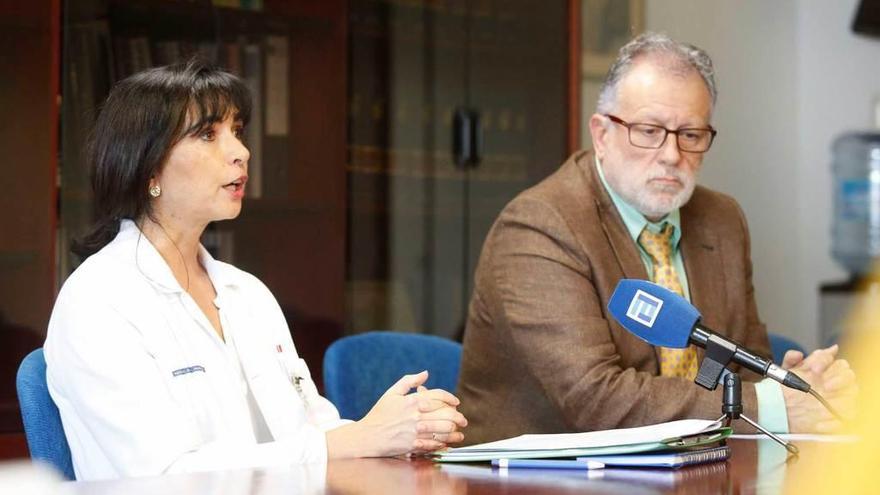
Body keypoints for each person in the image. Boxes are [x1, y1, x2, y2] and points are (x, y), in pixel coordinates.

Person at [44, 60, 467, 481]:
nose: (241, 152)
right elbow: (166, 475)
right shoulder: (97, 301)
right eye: (209, 135)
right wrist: (357, 440)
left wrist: (398, 429)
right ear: (148, 166)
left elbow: (312, 430)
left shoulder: (246, 292)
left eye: (238, 132)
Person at [455, 32, 857, 445]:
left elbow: (742, 370)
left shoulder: (722, 220)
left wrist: (792, 385)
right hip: (534, 482)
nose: (671, 154)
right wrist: (770, 405)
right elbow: (597, 400)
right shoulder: (540, 226)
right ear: (601, 134)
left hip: (694, 469)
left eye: (691, 135)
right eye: (648, 131)